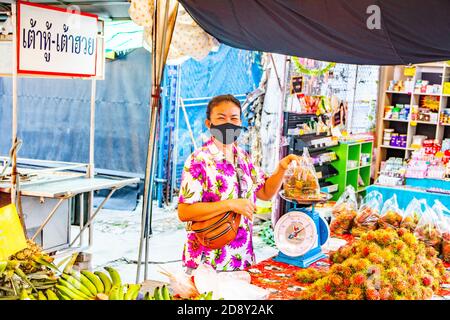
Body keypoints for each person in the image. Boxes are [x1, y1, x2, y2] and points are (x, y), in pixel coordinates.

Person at [178, 94, 298, 271]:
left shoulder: (243, 157)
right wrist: (231, 205)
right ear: (208, 124)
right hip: (208, 259)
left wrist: (281, 169)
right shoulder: (199, 160)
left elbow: (265, 192)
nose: (228, 123)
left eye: (234, 118)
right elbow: (185, 212)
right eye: (221, 118)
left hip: (241, 257)